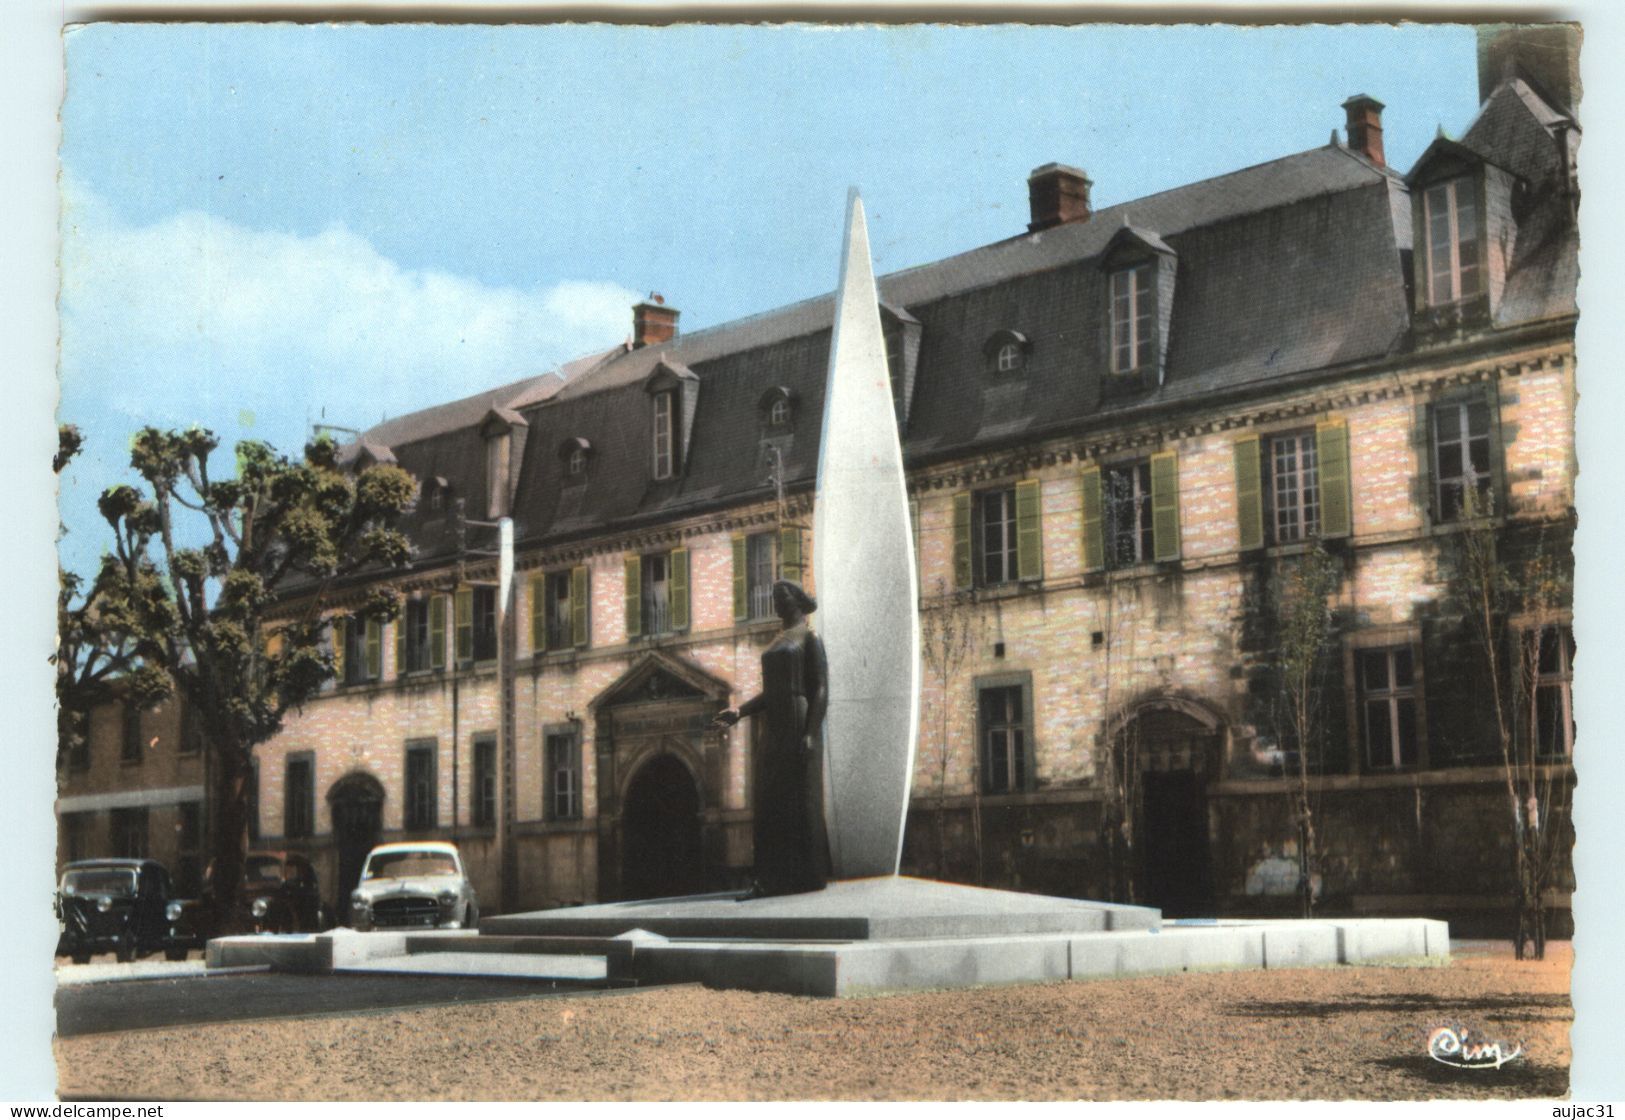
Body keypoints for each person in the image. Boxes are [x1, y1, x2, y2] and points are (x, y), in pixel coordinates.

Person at [713, 579, 831, 897]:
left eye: (781, 596)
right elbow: (770, 693)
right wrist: (740, 712)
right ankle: (769, 878)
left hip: (797, 719)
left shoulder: (810, 637)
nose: (775, 601)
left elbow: (820, 688)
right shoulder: (780, 639)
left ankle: (805, 875)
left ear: (795, 601)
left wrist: (810, 733)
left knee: (798, 799)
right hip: (775, 723)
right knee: (769, 800)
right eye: (774, 595)